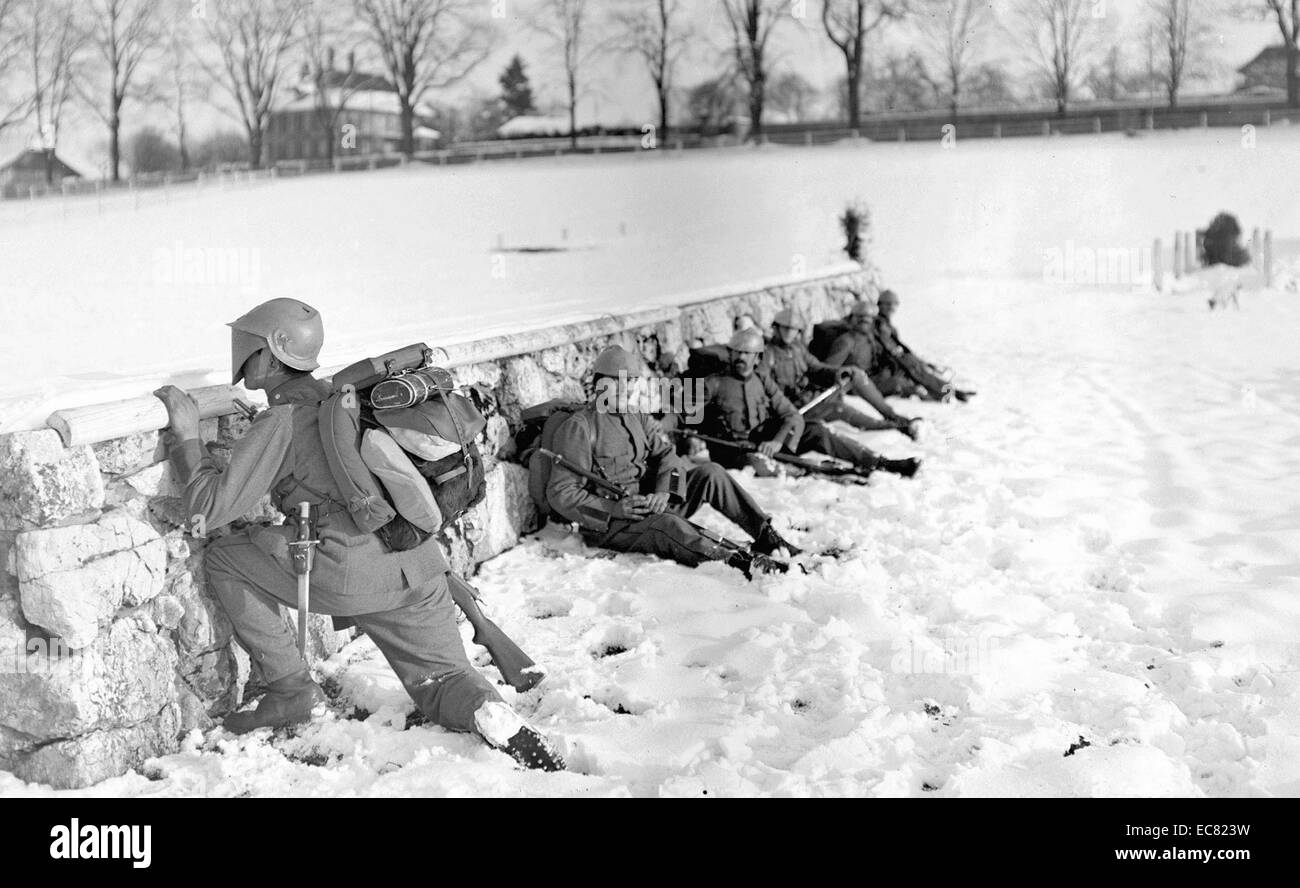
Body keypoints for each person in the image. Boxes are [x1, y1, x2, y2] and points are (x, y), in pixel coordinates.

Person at [153, 298, 564, 771]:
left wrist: (187, 437)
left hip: (347, 574)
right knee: (443, 680)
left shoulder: (282, 421)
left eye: (249, 348)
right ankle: (485, 710)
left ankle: (290, 690)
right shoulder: (343, 399)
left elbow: (207, 509)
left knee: (225, 557)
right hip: (418, 564)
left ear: (270, 355)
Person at [545, 346, 798, 575]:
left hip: (650, 506)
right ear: (600, 383)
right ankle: (738, 563)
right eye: (618, 381)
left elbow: (668, 455)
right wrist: (614, 509)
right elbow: (561, 493)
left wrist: (663, 492)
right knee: (668, 525)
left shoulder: (636, 417)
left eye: (631, 380)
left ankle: (766, 535)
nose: (627, 388)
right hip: (613, 526)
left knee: (711, 473)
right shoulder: (580, 427)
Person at [699, 329, 921, 479]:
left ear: (757, 358)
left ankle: (880, 462)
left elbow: (791, 415)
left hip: (764, 442)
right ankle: (827, 473)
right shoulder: (713, 383)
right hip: (735, 453)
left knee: (816, 429)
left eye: (748, 354)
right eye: (737, 352)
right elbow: (682, 414)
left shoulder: (761, 380)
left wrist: (777, 441)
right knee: (766, 464)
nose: (741, 358)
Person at [761, 308, 919, 439]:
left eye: (794, 329)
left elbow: (816, 367)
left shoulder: (797, 348)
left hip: (808, 398)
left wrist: (839, 372)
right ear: (776, 328)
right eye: (785, 328)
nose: (790, 333)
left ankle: (893, 417)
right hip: (792, 409)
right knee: (838, 409)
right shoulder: (767, 354)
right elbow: (767, 392)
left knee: (855, 374)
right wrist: (796, 401)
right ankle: (891, 427)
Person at [873, 290, 975, 402]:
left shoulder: (887, 324)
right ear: (880, 305)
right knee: (917, 370)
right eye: (887, 304)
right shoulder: (878, 324)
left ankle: (951, 391)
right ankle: (949, 392)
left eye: (893, 304)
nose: (891, 308)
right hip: (885, 364)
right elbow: (886, 347)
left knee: (921, 368)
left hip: (893, 360)